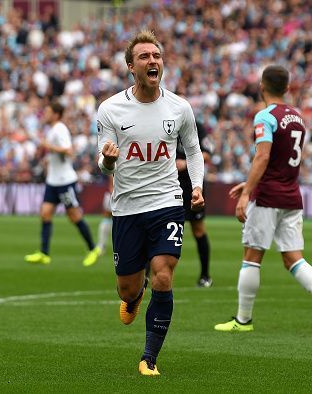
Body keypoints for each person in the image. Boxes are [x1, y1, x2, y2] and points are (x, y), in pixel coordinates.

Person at [96, 30, 204, 376]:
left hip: (167, 200)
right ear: (131, 67)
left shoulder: (179, 107)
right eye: (143, 57)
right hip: (127, 206)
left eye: (156, 56)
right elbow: (103, 162)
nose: (152, 61)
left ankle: (149, 357)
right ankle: (133, 292)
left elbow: (194, 150)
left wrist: (197, 186)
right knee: (127, 289)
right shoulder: (111, 109)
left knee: (163, 274)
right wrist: (109, 162)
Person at [214, 65, 312, 334]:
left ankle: (243, 320)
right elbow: (281, 160)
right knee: (293, 258)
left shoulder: (265, 116)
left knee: (252, 256)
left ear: (261, 86)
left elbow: (263, 156)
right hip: (291, 195)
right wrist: (250, 182)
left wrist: (248, 191)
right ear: (287, 88)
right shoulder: (297, 117)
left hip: (268, 197)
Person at [25, 101, 101, 267]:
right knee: (45, 213)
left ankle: (92, 248)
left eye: (47, 112)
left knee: (74, 216)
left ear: (56, 115)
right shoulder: (52, 130)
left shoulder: (60, 129)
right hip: (53, 181)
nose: (44, 114)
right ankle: (44, 253)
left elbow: (68, 151)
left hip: (65, 182)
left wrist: (48, 146)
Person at [176, 121, 213, 287]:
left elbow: (207, 154)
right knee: (161, 228)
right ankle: (148, 274)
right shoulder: (161, 120)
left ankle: (205, 275)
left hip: (192, 184)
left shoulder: (198, 126)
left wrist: (185, 164)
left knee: (198, 229)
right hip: (168, 185)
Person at [96, 174, 113, 256]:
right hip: (114, 192)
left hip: (114, 192)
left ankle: (101, 246)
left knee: (108, 218)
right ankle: (101, 246)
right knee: (107, 217)